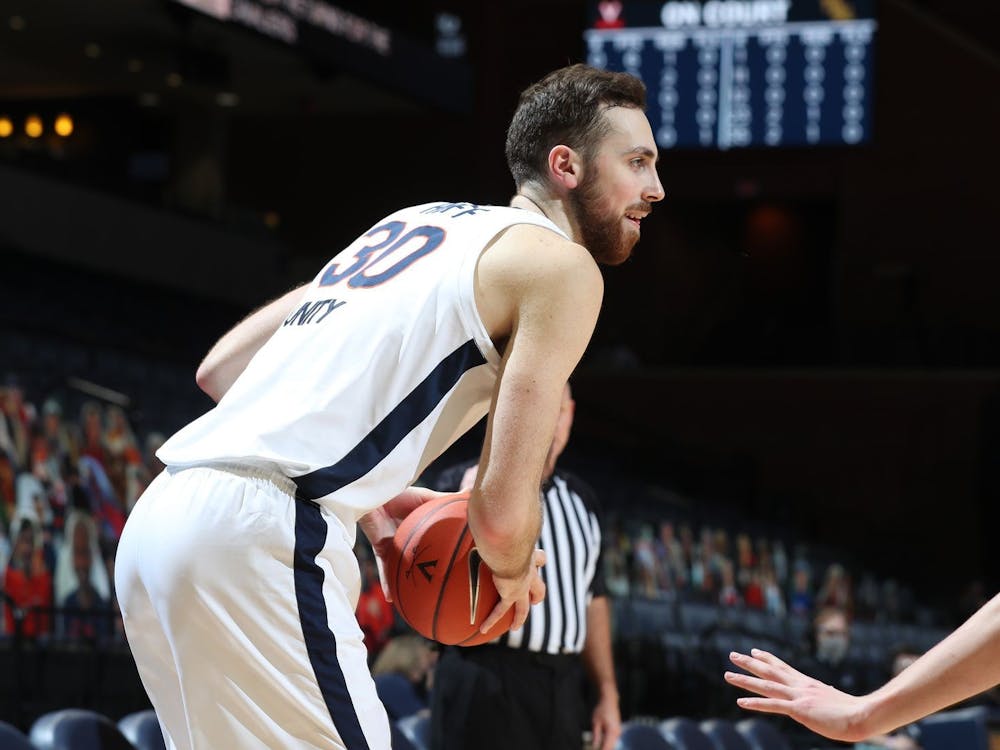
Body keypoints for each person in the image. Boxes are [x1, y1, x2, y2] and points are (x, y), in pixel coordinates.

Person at [115, 63, 664, 750]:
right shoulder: (563, 269)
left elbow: (221, 370)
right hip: (262, 535)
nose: (655, 188)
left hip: (161, 519)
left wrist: (376, 508)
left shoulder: (414, 225)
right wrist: (516, 569)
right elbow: (499, 517)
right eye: (637, 162)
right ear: (567, 166)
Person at [429, 384, 621, 750]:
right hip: (483, 676)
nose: (549, 420)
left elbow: (594, 599)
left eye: (558, 409)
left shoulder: (583, 499)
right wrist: (465, 508)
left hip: (563, 688)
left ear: (570, 415)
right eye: (540, 406)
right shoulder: (459, 483)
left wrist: (607, 694)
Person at [724, 591, 1000, 743]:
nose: (837, 640)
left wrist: (869, 721)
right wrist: (868, 723)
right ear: (814, 635)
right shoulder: (803, 668)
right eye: (830, 633)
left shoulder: (853, 670)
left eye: (842, 634)